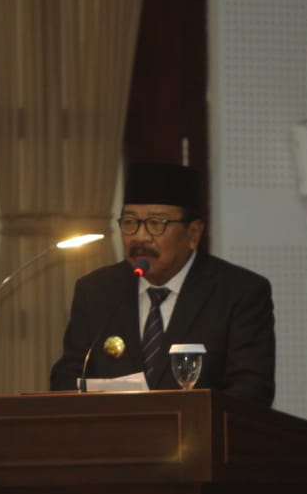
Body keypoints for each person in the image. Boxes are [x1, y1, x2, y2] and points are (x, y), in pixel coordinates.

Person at [49, 161, 275, 406]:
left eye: (157, 224)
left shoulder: (239, 293)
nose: (140, 236)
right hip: (113, 440)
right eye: (129, 223)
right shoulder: (97, 291)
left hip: (199, 440)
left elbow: (252, 390)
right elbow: (66, 377)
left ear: (193, 234)